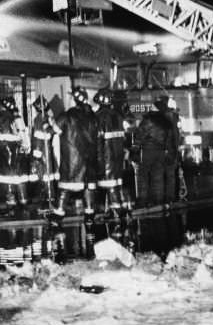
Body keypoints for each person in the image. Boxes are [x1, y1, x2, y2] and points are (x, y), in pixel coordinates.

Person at [51, 86, 98, 224]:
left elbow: (54, 130)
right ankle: (89, 214)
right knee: (88, 187)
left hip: (72, 160)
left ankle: (59, 214)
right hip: (89, 159)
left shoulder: (67, 115)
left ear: (75, 100)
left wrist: (46, 125)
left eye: (71, 97)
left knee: (65, 187)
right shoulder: (93, 116)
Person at [0, 97, 29, 210]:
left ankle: (11, 200)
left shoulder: (0, 119)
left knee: (7, 176)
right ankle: (23, 199)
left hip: (4, 151)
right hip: (18, 151)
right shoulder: (19, 119)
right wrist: (26, 149)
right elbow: (24, 137)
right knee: (19, 176)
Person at [92, 88, 131, 219]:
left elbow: (97, 142)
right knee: (116, 183)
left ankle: (112, 211)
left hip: (105, 158)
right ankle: (119, 208)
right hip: (117, 157)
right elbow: (124, 138)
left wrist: (96, 159)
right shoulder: (118, 116)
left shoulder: (98, 117)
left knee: (106, 185)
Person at [130, 99, 176, 207]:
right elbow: (169, 140)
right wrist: (170, 154)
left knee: (143, 176)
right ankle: (158, 200)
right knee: (158, 177)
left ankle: (143, 200)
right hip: (160, 152)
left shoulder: (148, 120)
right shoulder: (166, 122)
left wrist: (134, 151)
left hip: (146, 152)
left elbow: (139, 136)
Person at [30, 96, 59, 211]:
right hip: (49, 150)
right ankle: (51, 199)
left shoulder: (39, 119)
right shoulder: (49, 118)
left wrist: (36, 156)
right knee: (49, 176)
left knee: (43, 177)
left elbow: (38, 138)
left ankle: (47, 201)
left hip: (42, 151)